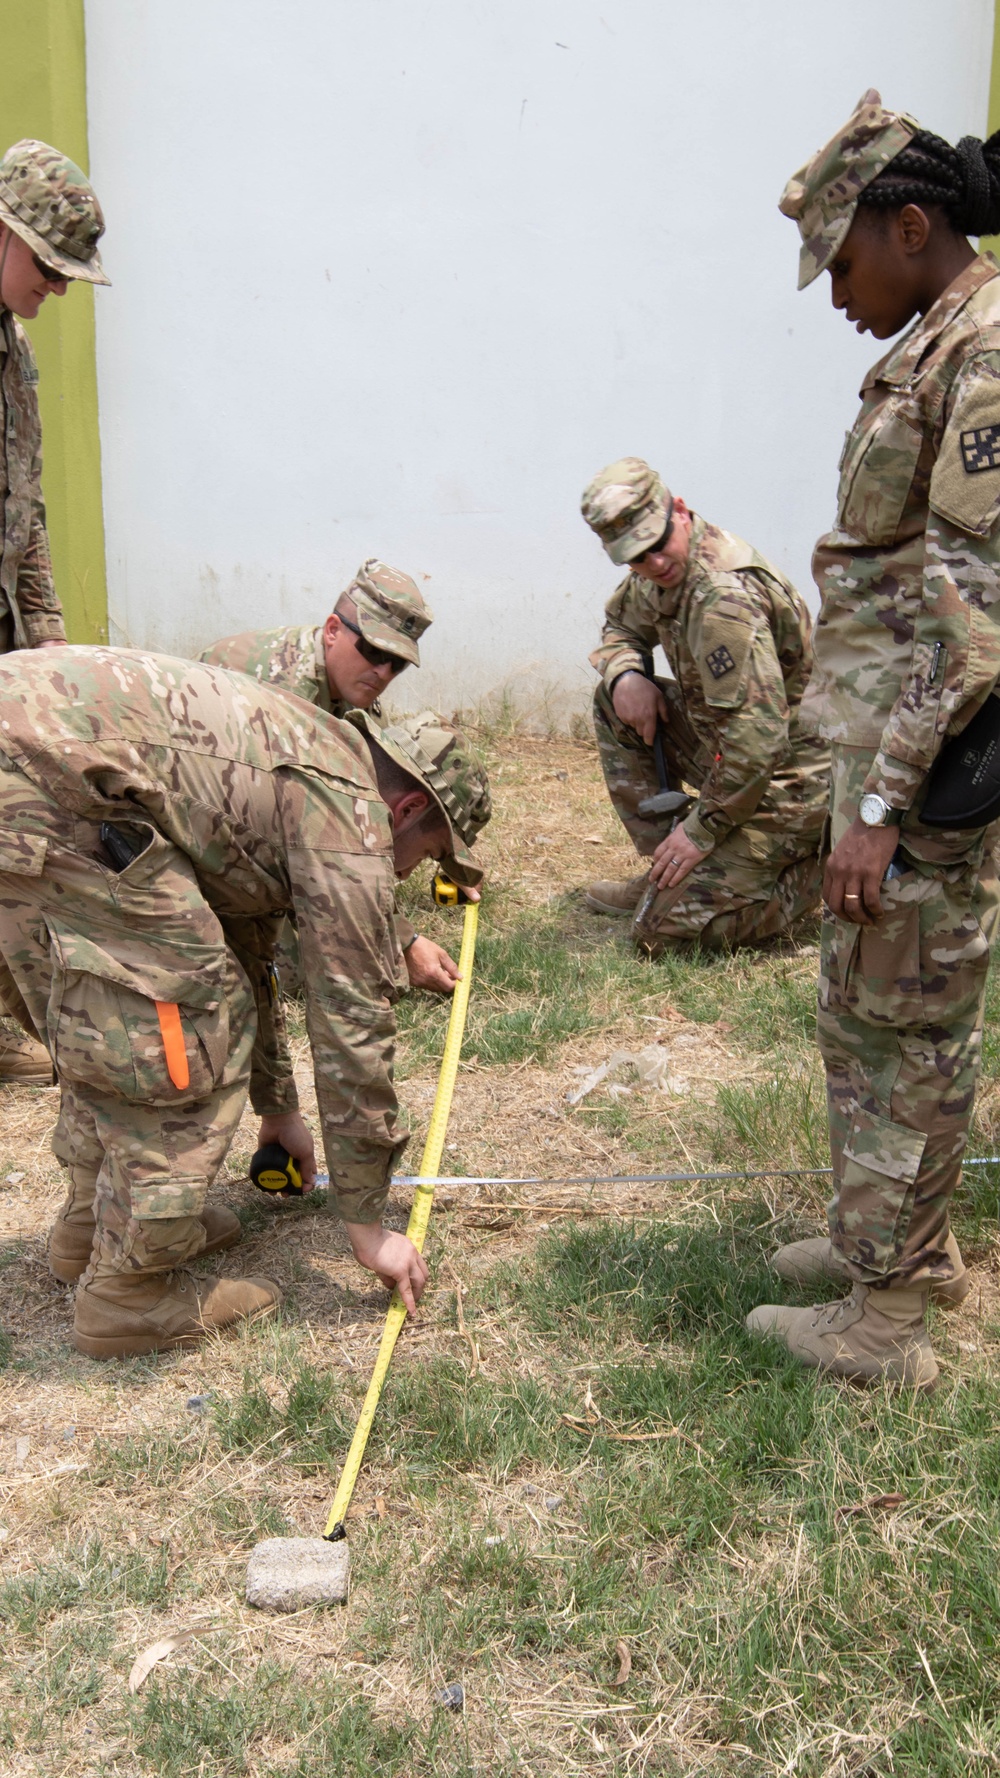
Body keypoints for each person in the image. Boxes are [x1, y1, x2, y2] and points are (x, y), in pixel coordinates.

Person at [0, 647, 489, 1360]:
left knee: (101, 1009)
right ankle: (128, 1292)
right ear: (408, 807)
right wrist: (366, 1223)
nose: (411, 874)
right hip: (38, 776)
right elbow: (352, 1021)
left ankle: (89, 1230)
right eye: (428, 852)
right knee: (182, 1020)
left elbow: (247, 943)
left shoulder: (300, 755)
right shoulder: (350, 819)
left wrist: (279, 1109)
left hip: (31, 760)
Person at [746, 90, 1000, 1389]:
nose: (833, 293)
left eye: (841, 263)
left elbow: (973, 622)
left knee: (899, 1023)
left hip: (928, 766)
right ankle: (902, 1244)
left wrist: (879, 804)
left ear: (912, 228)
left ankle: (887, 1317)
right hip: (900, 751)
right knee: (879, 1007)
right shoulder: (943, 339)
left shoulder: (983, 354)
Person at [580, 458, 828, 954]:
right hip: (733, 752)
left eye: (656, 544)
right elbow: (621, 623)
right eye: (636, 557)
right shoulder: (662, 573)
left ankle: (818, 866)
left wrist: (701, 831)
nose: (652, 563)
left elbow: (756, 747)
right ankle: (665, 876)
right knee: (612, 701)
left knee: (660, 936)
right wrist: (627, 673)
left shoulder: (721, 602)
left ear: (681, 511)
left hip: (794, 778)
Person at [202, 560, 464, 995]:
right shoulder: (286, 699)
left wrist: (444, 848)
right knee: (291, 976)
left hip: (237, 805)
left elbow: (367, 806)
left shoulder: (348, 690)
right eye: (376, 653)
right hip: (183, 811)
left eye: (396, 663)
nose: (383, 673)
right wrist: (401, 942)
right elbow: (314, 840)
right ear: (332, 630)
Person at [0, 139, 109, 1085]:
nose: (61, 290)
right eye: (52, 266)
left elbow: (25, 513)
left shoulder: (15, 351)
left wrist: (49, 646)